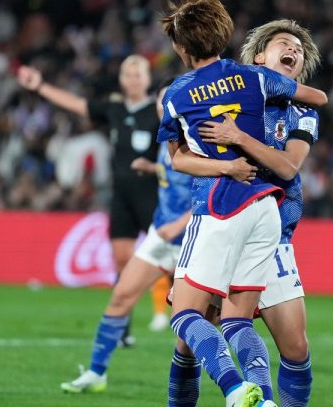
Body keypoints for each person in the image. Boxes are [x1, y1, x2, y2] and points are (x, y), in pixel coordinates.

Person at [157, 0, 327, 407]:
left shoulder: (299, 112)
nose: (294, 51)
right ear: (259, 57)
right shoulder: (243, 84)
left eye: (299, 50)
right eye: (283, 44)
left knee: (295, 349)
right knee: (189, 343)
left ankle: (253, 396)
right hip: (228, 211)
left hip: (271, 234)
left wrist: (237, 139)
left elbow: (287, 168)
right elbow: (181, 157)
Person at [58, 79, 258, 394]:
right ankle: (96, 372)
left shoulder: (201, 137)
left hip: (199, 239)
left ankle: (238, 387)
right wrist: (153, 168)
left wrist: (179, 225)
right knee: (122, 295)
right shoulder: (166, 138)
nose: (164, 107)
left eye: (170, 101)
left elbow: (217, 189)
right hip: (161, 235)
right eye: (161, 102)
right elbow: (175, 174)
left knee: (200, 329)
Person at [17, 55, 158, 344]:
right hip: (121, 196)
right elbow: (77, 104)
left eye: (138, 74)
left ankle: (192, 317)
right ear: (121, 79)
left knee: (170, 260)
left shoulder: (158, 110)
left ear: (147, 79)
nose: (133, 79)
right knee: (122, 260)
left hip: (153, 195)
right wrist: (40, 86)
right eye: (128, 74)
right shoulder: (115, 108)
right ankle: (123, 327)